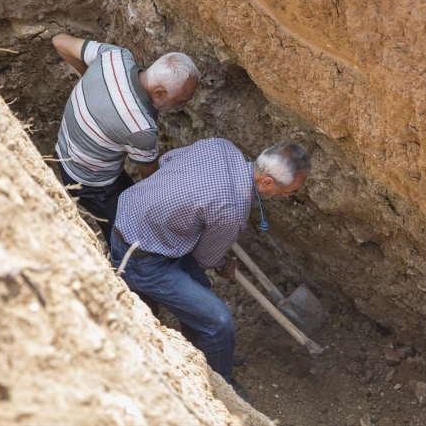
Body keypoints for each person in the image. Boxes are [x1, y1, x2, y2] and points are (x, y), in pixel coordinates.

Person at [110, 138, 310, 402]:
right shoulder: (231, 210)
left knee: (201, 291)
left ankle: (201, 356)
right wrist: (225, 265)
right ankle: (220, 387)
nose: (287, 196)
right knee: (219, 322)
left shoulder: (221, 147)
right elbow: (207, 255)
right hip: (142, 259)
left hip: (134, 218)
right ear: (268, 183)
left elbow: (169, 161)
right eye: (288, 191)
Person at [51, 33, 199, 247]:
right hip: (91, 183)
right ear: (159, 93)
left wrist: (90, 78)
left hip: (65, 148)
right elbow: (152, 182)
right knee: (126, 237)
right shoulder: (140, 127)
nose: (183, 106)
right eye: (181, 101)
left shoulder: (114, 56)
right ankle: (118, 271)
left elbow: (60, 42)